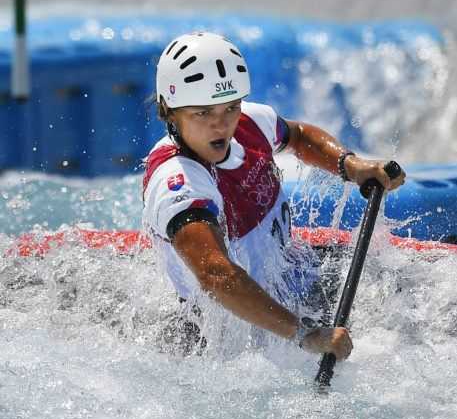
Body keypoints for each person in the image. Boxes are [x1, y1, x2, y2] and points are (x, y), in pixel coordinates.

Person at [141, 31, 406, 360]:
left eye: (230, 107)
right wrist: (303, 334)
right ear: (170, 110)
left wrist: (349, 165)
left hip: (295, 288)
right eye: (202, 113)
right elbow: (216, 275)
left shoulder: (249, 123)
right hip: (227, 341)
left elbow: (298, 136)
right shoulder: (177, 182)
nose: (221, 125)